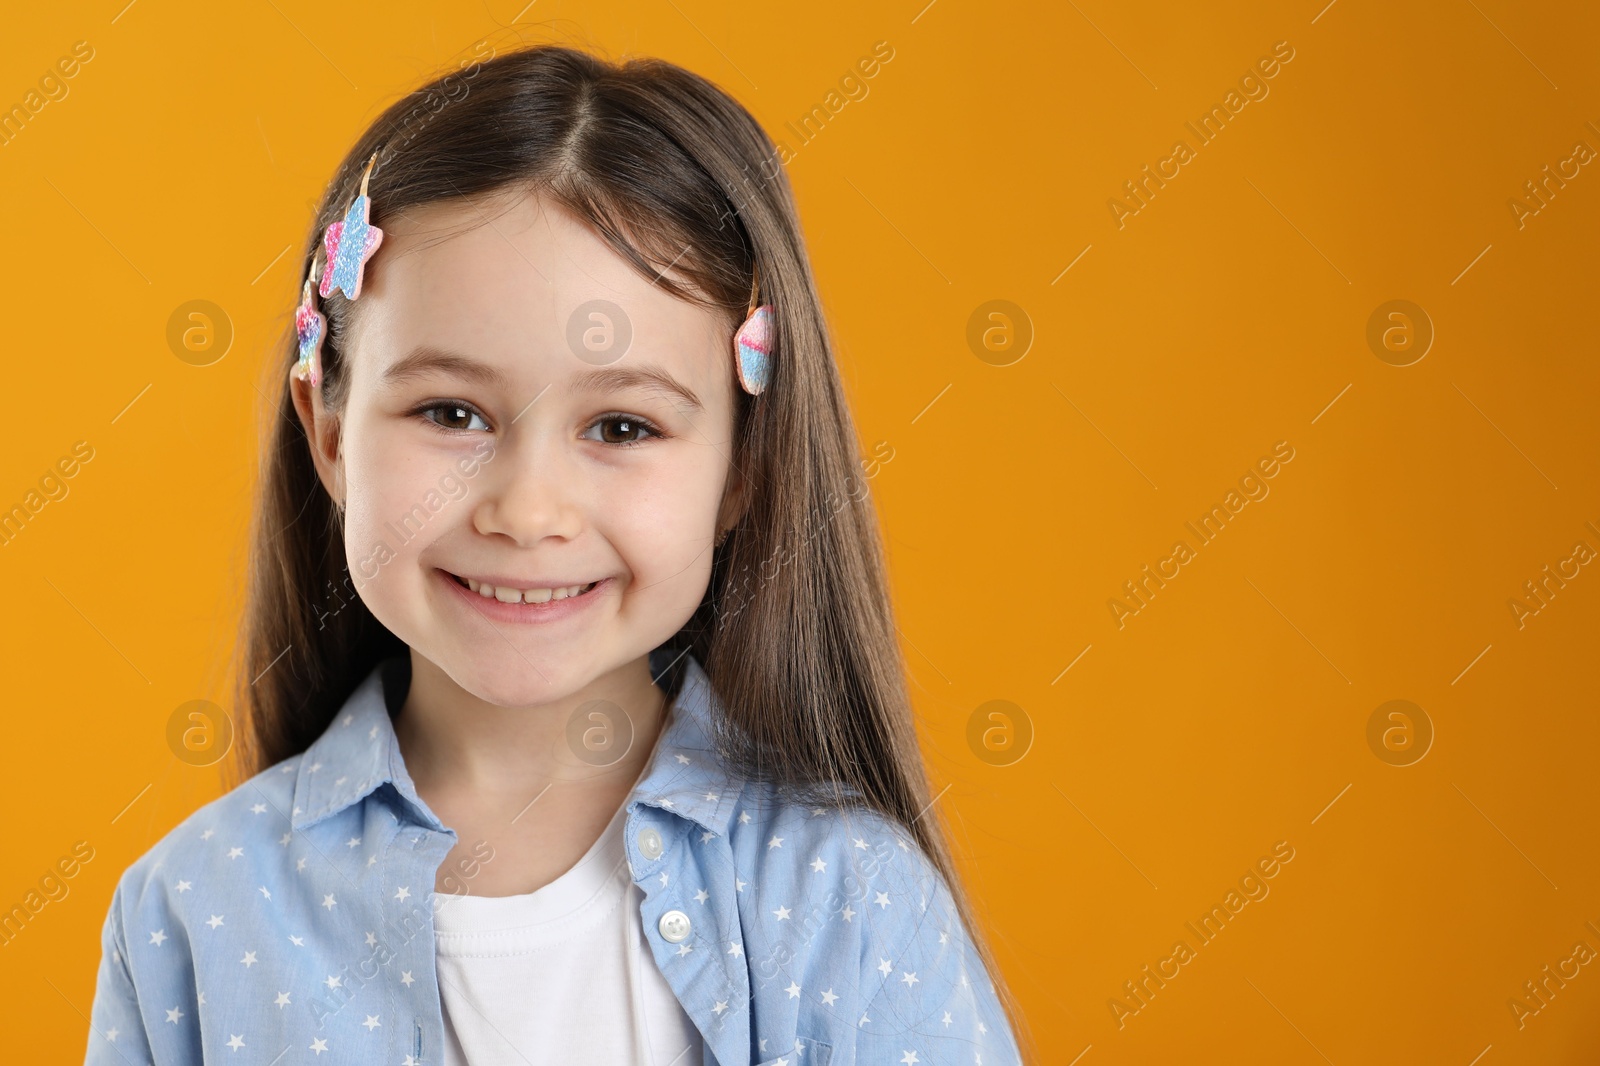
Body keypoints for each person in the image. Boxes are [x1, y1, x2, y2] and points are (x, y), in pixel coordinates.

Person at [84, 41, 1032, 1066]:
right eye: (451, 412)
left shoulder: (844, 898)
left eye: (621, 427)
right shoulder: (192, 910)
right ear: (328, 431)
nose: (527, 512)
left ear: (743, 470)